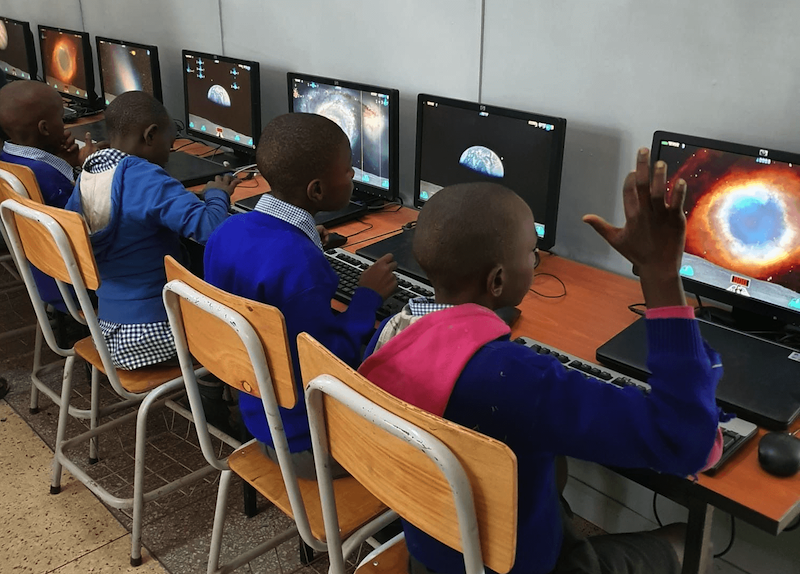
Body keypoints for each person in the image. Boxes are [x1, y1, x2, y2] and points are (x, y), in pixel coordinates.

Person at [358, 149, 724, 574]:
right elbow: (688, 442)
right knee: (690, 540)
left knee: (551, 463)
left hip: (432, 548)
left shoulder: (385, 339)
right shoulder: (517, 379)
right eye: (532, 254)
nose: (534, 262)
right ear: (497, 280)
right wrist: (660, 275)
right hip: (517, 564)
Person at [203, 112, 397, 478]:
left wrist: (305, 241)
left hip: (258, 414)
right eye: (347, 171)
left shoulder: (228, 231)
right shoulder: (301, 267)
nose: (353, 176)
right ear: (317, 192)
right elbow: (331, 364)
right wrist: (367, 298)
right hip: (310, 442)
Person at [65, 91, 238, 371]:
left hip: (107, 328)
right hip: (153, 332)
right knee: (245, 328)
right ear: (150, 135)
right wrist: (217, 195)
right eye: (169, 146)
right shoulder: (146, 178)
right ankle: (209, 397)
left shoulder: (89, 173)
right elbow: (211, 230)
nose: (169, 155)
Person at [0, 80, 99, 208]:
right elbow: (87, 214)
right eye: (61, 118)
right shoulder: (48, 177)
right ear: (45, 129)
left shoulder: (5, 160)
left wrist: (62, 164)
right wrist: (90, 168)